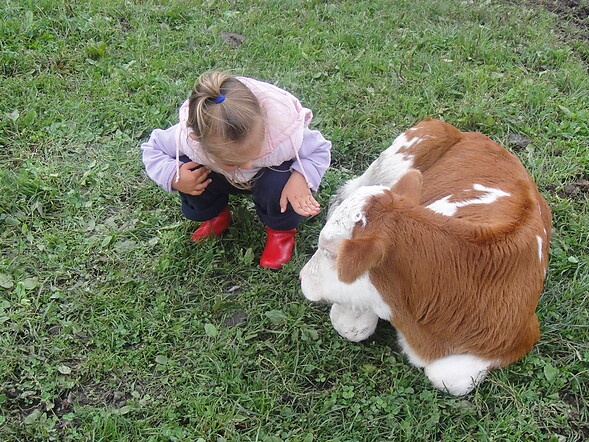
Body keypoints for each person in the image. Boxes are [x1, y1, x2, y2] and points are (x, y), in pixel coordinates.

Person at [141, 72, 331, 269]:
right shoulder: (186, 139)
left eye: (254, 153)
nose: (248, 165)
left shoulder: (284, 135)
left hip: (267, 176)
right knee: (191, 169)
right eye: (233, 161)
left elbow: (320, 148)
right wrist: (174, 176)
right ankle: (216, 215)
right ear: (199, 142)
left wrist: (301, 176)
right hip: (217, 177)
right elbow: (152, 149)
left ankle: (280, 232)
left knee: (278, 182)